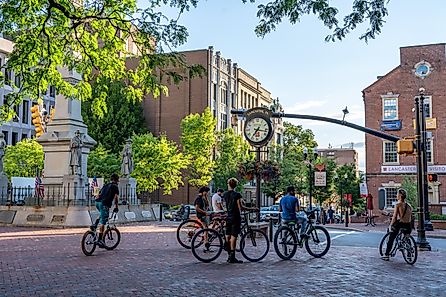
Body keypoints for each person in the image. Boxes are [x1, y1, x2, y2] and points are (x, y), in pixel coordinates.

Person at [223, 177, 257, 264]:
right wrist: (252, 208)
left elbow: (224, 206)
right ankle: (232, 256)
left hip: (228, 216)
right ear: (235, 185)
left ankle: (228, 253)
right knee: (234, 237)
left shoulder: (225, 194)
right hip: (235, 217)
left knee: (228, 235)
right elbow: (240, 207)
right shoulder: (237, 194)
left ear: (228, 184)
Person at [381, 188, 413, 261]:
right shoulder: (409, 205)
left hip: (401, 224)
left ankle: (386, 255)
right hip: (408, 225)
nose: (396, 195)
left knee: (391, 237)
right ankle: (409, 255)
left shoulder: (398, 205)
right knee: (407, 238)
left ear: (400, 195)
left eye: (397, 194)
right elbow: (410, 216)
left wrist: (391, 225)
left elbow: (395, 217)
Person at [91, 173, 120, 247]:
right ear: (117, 180)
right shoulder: (115, 186)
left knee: (102, 214)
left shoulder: (106, 185)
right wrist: (116, 207)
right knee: (103, 222)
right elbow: (116, 198)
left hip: (97, 202)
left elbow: (98, 193)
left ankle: (95, 225)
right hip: (104, 204)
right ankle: (100, 239)